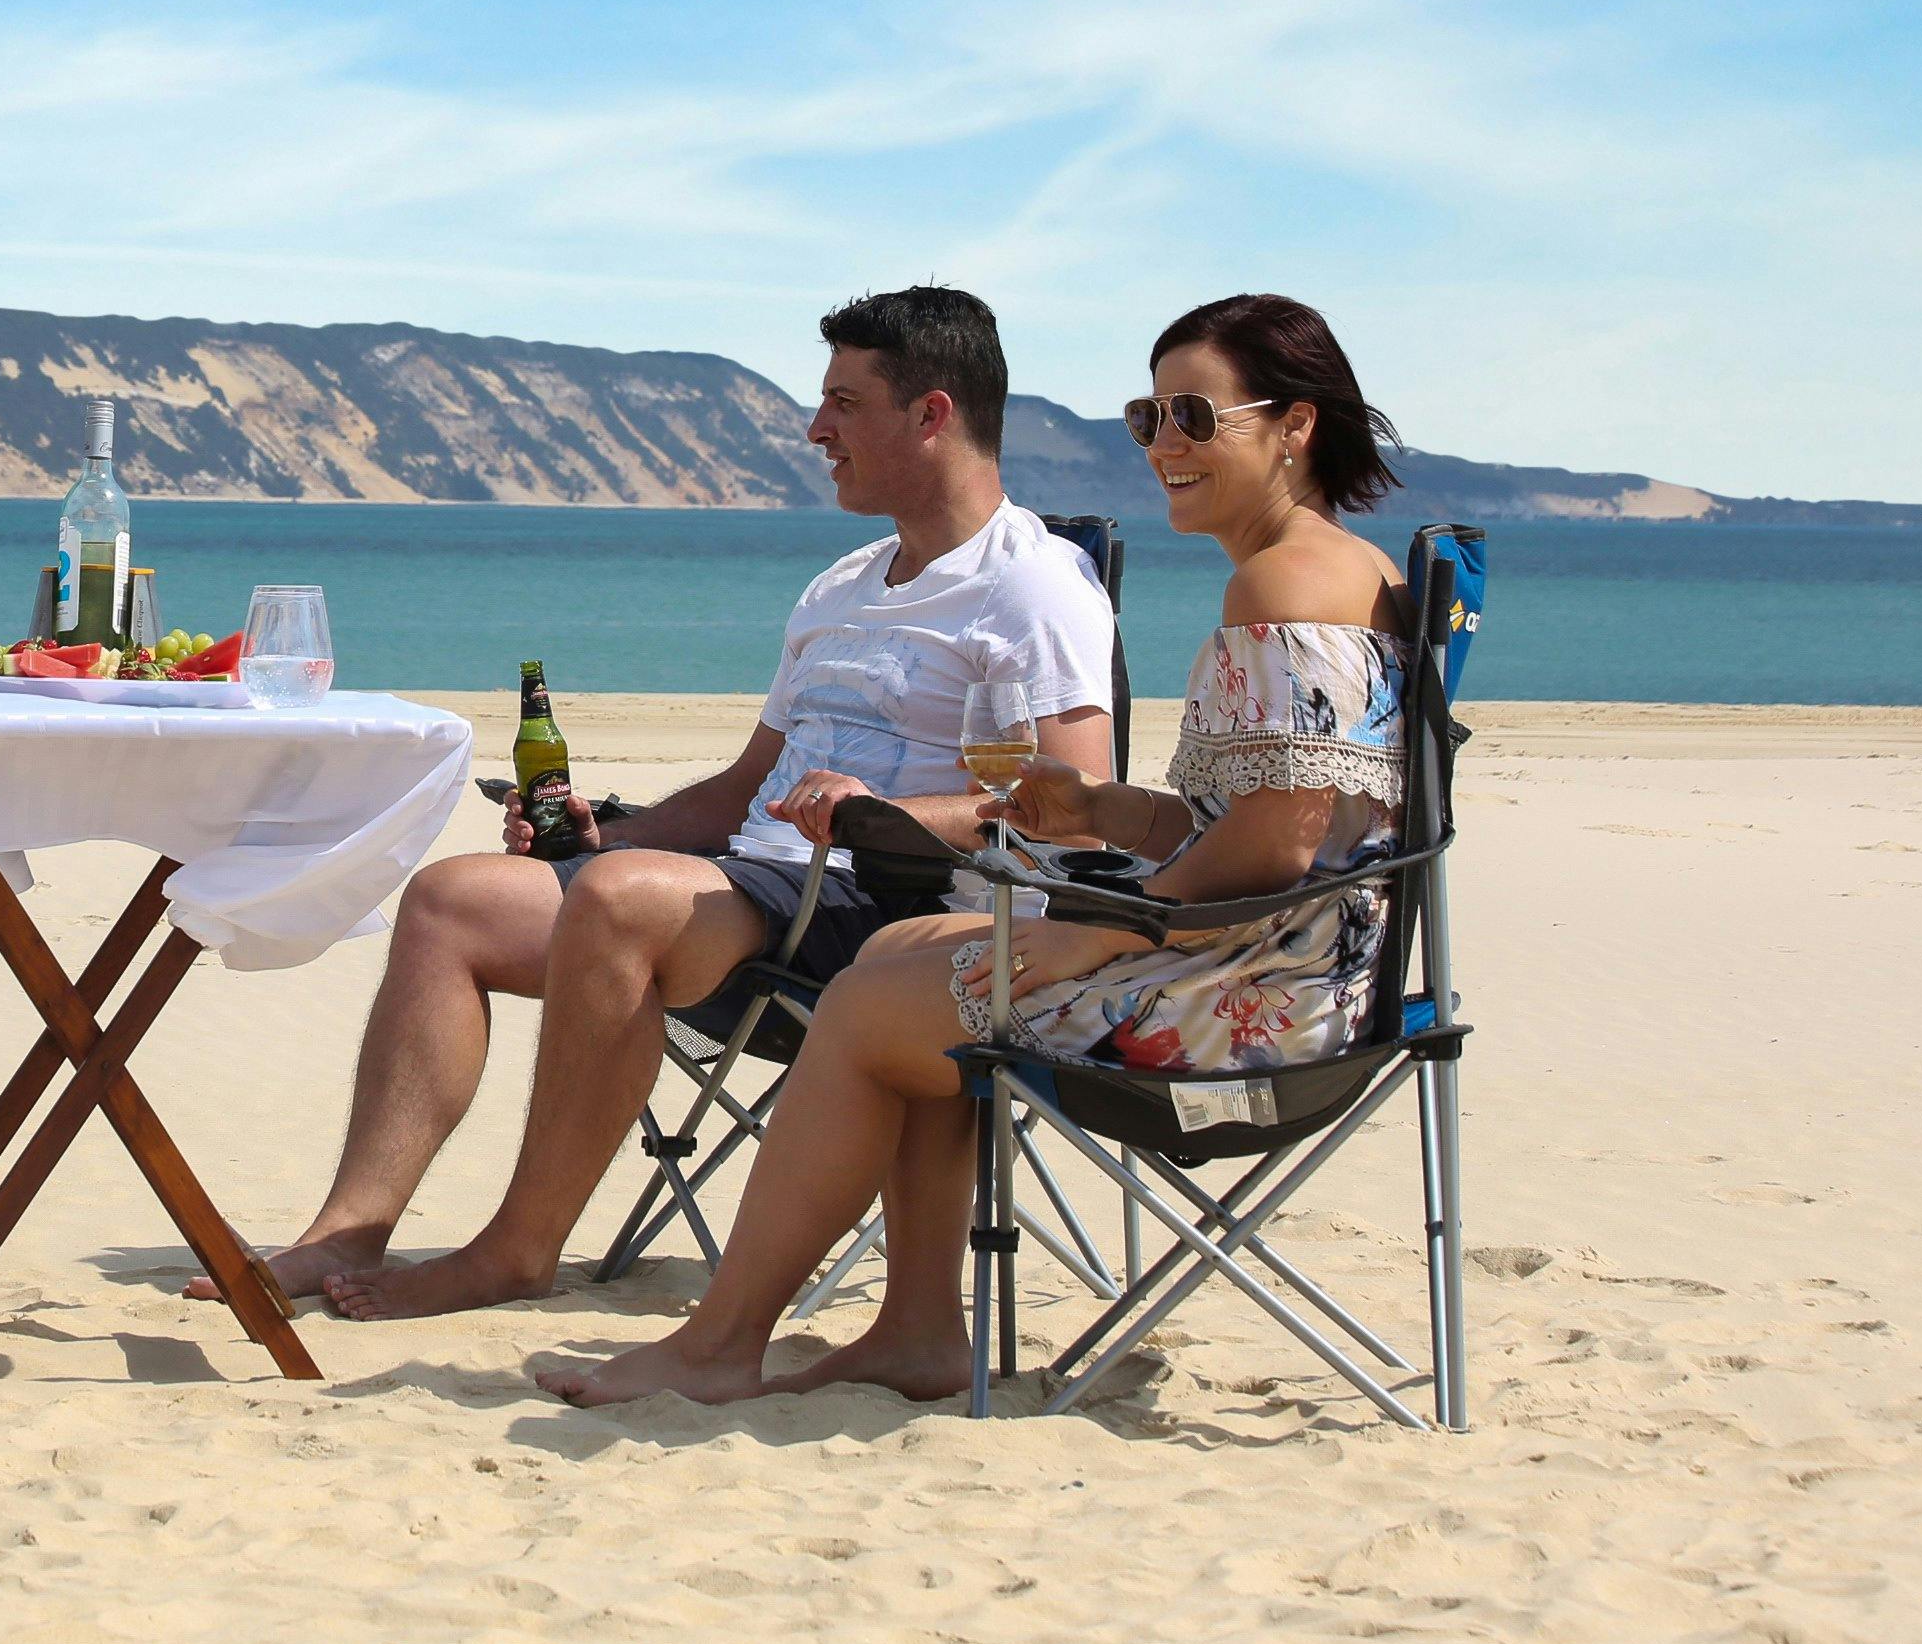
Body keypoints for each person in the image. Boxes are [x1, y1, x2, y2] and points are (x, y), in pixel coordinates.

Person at [538, 292, 1414, 1408]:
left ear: (1293, 424)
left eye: (1196, 416)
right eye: (1150, 419)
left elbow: (1279, 841)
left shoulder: (1284, 580)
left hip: (1257, 986)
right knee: (905, 943)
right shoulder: (1339, 567)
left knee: (868, 1006)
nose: (1166, 447)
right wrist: (1101, 812)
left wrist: (1095, 935)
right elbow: (1275, 818)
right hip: (1295, 955)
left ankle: (722, 1342)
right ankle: (913, 1330)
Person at [201, 286, 1120, 1324]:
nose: (817, 428)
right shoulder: (842, 585)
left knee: (625, 900)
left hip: (887, 903)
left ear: (931, 414)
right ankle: (347, 1230)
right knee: (454, 898)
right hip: (762, 887)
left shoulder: (1035, 587)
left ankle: (517, 1249)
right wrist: (614, 832)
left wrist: (886, 810)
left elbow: (1077, 810)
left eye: (843, 403)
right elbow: (740, 790)